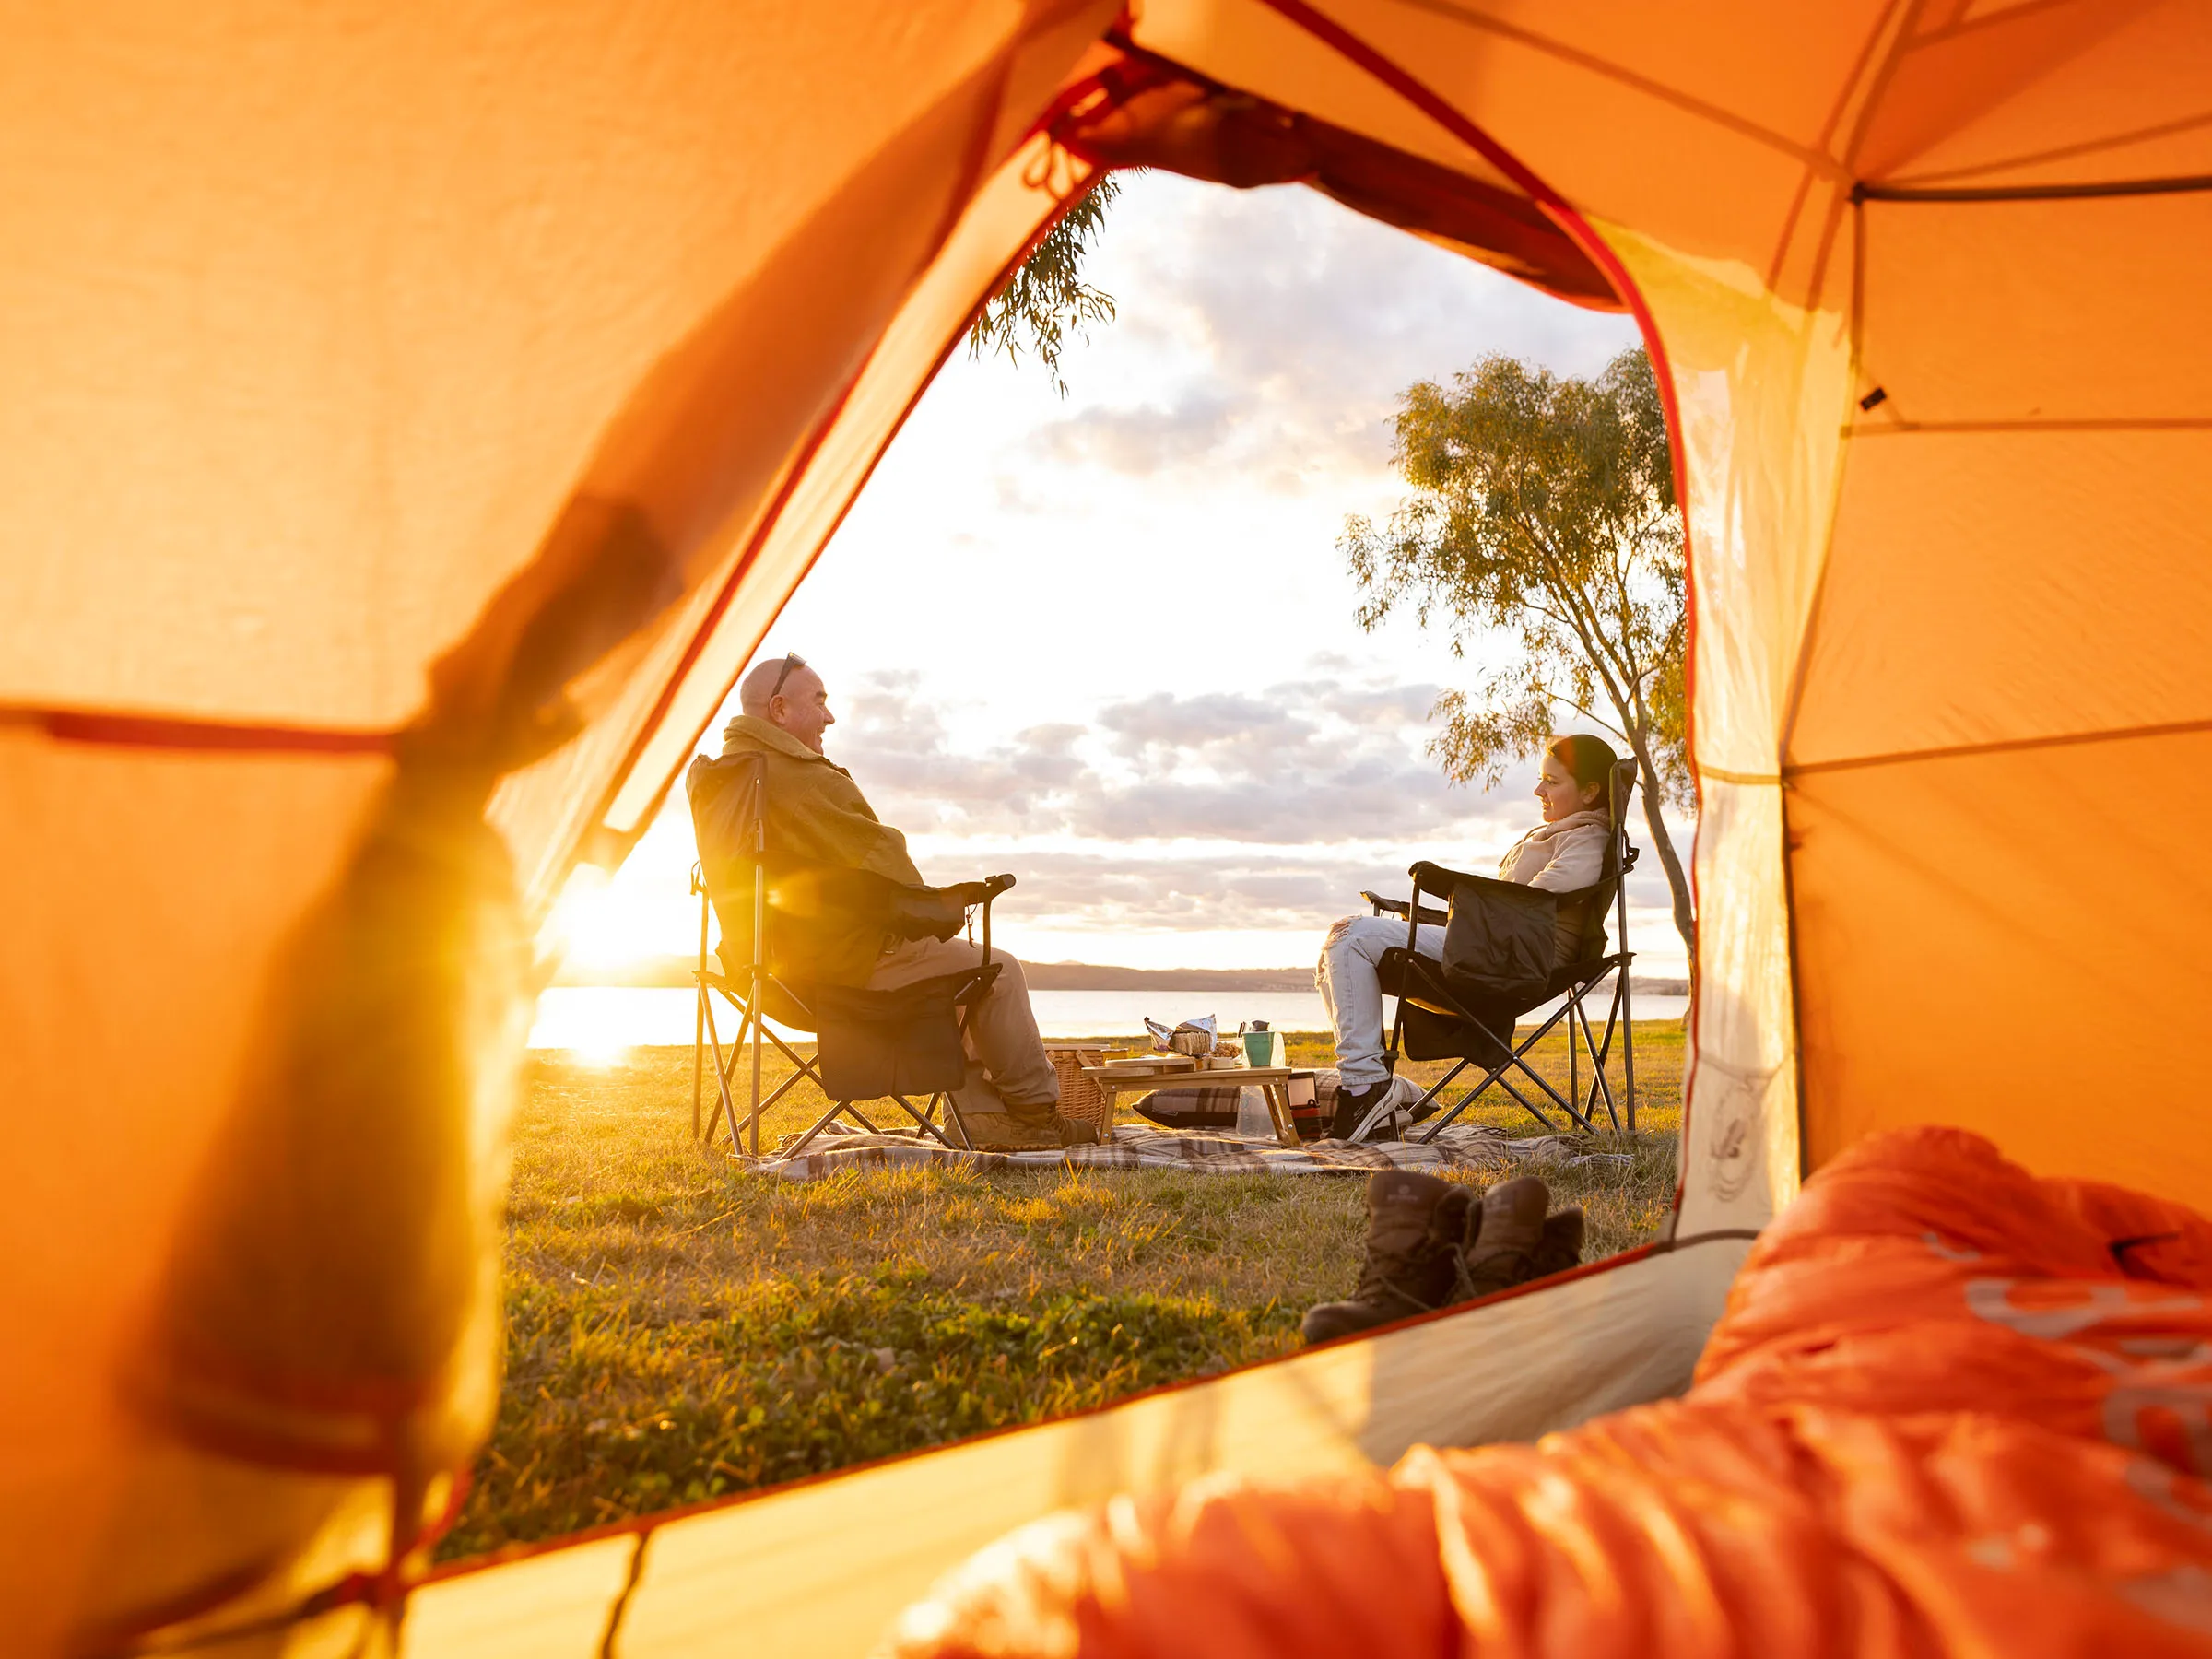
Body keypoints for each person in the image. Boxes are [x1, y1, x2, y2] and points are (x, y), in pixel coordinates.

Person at [709, 653, 1097, 1150]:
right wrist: (939, 909)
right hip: (842, 970)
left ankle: (984, 1119)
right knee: (996, 970)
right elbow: (887, 865)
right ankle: (1037, 1115)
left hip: (765, 970)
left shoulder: (731, 778)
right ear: (779, 710)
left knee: (955, 974)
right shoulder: (803, 779)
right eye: (820, 702)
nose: (830, 716)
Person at [1314, 733, 1619, 1138]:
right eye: (1540, 779)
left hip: (1517, 957)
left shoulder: (1588, 839)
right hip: (1495, 945)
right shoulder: (1559, 833)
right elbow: (1514, 902)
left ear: (1591, 791)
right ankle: (1371, 1087)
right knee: (1338, 945)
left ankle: (1366, 1089)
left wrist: (1450, 886)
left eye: (1552, 781)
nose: (1538, 790)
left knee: (1350, 938)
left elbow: (1532, 900)